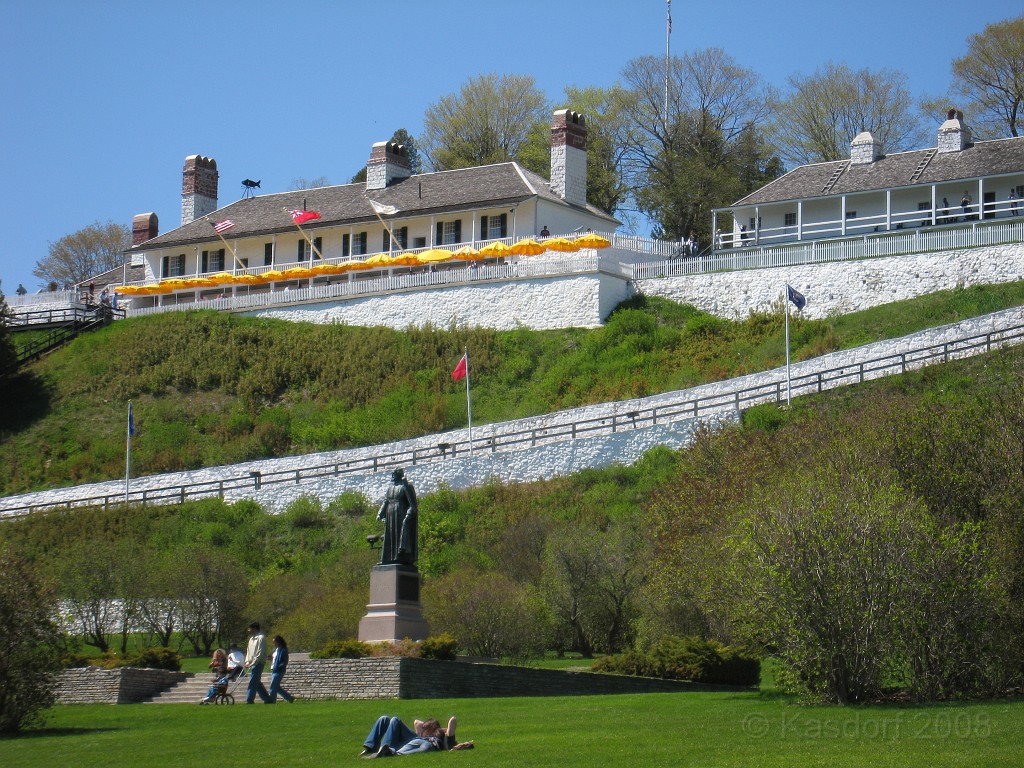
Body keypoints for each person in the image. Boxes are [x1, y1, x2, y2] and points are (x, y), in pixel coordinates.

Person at [360, 715, 457, 758]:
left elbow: (418, 724)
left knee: (395, 720)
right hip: (415, 740)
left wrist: (437, 729)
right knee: (384, 719)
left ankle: (384, 750)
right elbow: (417, 723)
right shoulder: (425, 736)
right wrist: (435, 729)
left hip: (415, 741)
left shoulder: (441, 737)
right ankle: (370, 747)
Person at [376, 468, 418, 566]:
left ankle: (400, 557)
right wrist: (380, 513)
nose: (392, 476)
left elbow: (412, 504)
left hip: (400, 514)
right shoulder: (390, 488)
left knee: (399, 536)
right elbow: (386, 501)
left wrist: (408, 516)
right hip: (390, 514)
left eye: (394, 474)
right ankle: (387, 558)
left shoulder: (406, 486)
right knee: (389, 536)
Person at [243, 621, 271, 703]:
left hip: (259, 663)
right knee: (257, 683)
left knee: (253, 681)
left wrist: (254, 662)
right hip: (251, 663)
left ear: (254, 629)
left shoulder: (261, 638)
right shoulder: (251, 639)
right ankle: (268, 699)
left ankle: (249, 699)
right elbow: (248, 651)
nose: (249, 631)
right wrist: (247, 661)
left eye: (250, 629)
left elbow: (260, 652)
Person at [268, 635, 294, 703]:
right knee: (277, 687)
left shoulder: (283, 650)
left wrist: (279, 666)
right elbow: (274, 658)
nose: (274, 643)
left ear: (279, 642)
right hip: (274, 669)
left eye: (275, 642)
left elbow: (285, 661)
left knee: (273, 687)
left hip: (279, 670)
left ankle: (272, 701)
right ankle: (289, 698)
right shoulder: (275, 650)